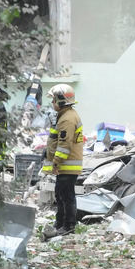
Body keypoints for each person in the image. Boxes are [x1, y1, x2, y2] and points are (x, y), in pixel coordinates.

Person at [41, 84, 84, 237]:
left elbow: (64, 145)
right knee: (60, 194)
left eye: (53, 100)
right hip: (66, 165)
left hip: (67, 165)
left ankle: (69, 225)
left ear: (61, 101)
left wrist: (56, 162)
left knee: (66, 195)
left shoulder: (67, 119)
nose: (52, 103)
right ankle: (60, 223)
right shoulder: (64, 116)